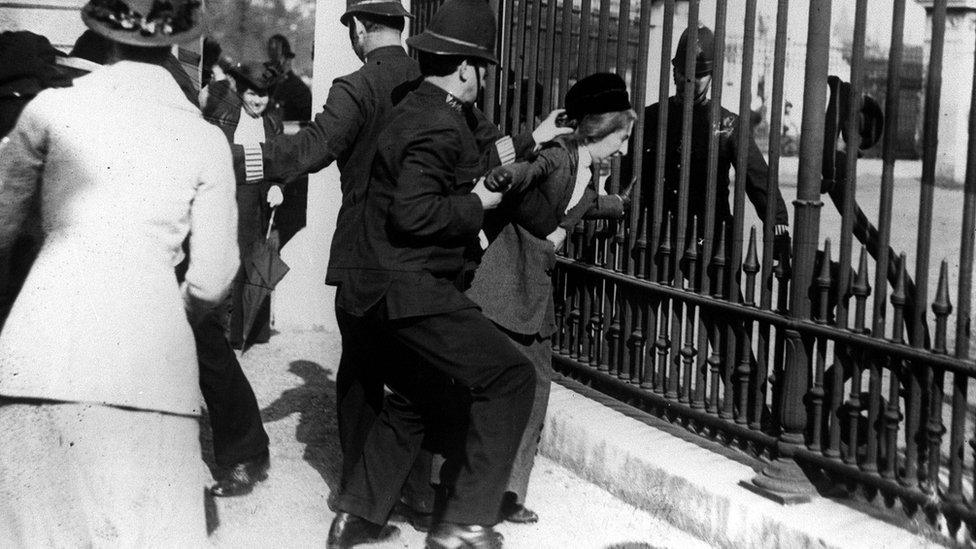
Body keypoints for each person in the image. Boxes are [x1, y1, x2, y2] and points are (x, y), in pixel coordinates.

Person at [0, 0, 238, 544]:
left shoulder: (49, 112)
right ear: (179, 41)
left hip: (39, 356)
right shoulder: (204, 138)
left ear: (102, 35)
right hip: (153, 373)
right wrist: (165, 312)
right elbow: (213, 277)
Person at [327, 0, 538, 547]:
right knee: (512, 378)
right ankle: (466, 524)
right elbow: (414, 213)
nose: (483, 80)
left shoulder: (412, 106)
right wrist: (477, 205)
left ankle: (357, 516)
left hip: (371, 292)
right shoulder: (439, 125)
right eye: (482, 69)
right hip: (411, 290)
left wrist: (518, 151)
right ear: (467, 69)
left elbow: (454, 167)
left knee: (419, 394)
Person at [471, 72, 636, 524]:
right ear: (602, 127)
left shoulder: (586, 166)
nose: (623, 149)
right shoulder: (562, 157)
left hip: (531, 293)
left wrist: (616, 205)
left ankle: (506, 492)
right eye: (621, 137)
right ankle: (456, 489)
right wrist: (507, 175)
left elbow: (579, 205)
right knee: (487, 386)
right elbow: (534, 171)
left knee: (536, 385)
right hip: (505, 283)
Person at [640, 24, 789, 259]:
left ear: (712, 77)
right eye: (683, 72)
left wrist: (777, 222)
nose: (689, 80)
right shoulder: (653, 116)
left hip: (710, 236)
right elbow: (629, 171)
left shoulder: (729, 124)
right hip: (659, 232)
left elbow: (757, 177)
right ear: (673, 71)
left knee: (720, 295)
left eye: (699, 75)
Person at [203, 61, 285, 348]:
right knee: (228, 261)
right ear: (240, 91)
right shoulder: (224, 116)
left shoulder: (272, 122)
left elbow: (279, 161)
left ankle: (245, 331)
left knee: (254, 262)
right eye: (251, 94)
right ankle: (221, 333)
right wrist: (257, 157)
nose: (257, 101)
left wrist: (277, 184)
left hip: (258, 203)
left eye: (263, 96)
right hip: (230, 198)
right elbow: (217, 157)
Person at [266, 33, 312, 122]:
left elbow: (306, 124)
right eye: (271, 58)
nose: (272, 63)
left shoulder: (300, 90)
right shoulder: (267, 86)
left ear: (288, 59)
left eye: (276, 58)